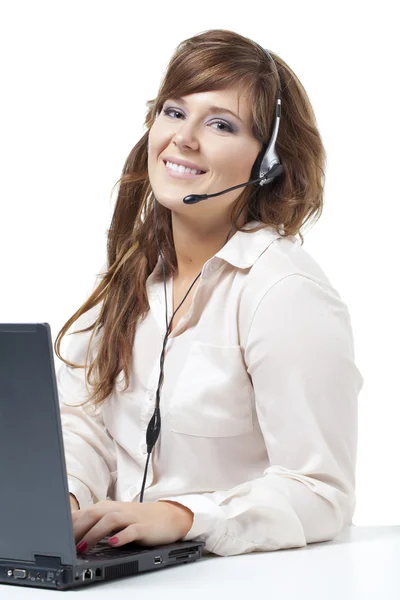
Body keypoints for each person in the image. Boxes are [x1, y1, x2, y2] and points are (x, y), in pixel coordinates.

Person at [55, 29, 364, 558]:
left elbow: (322, 491)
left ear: (268, 163)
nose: (184, 138)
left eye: (220, 124)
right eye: (174, 112)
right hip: (122, 569)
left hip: (232, 577)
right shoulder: (130, 282)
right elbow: (84, 423)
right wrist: (66, 499)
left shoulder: (285, 293)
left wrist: (182, 517)